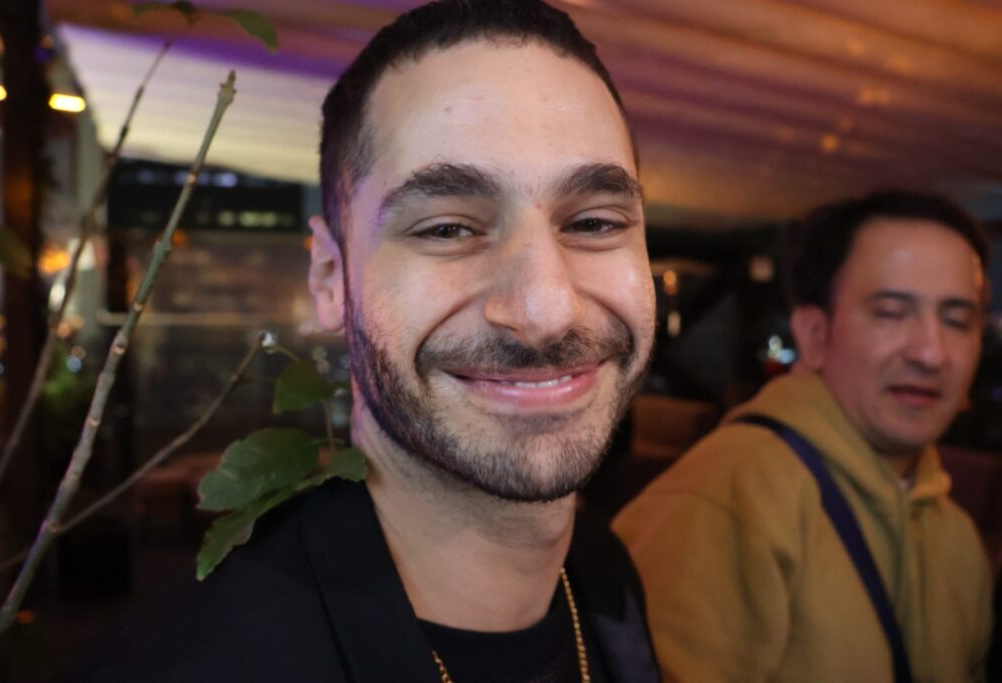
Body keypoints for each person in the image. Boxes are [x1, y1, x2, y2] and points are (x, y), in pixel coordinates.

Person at [62, 1, 661, 681]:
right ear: (329, 276)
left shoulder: (607, 582)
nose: (545, 308)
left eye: (593, 222)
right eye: (447, 229)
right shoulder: (184, 666)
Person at [615, 189, 994, 682]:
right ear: (815, 334)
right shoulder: (731, 494)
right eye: (891, 312)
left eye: (958, 320)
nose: (931, 353)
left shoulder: (957, 537)